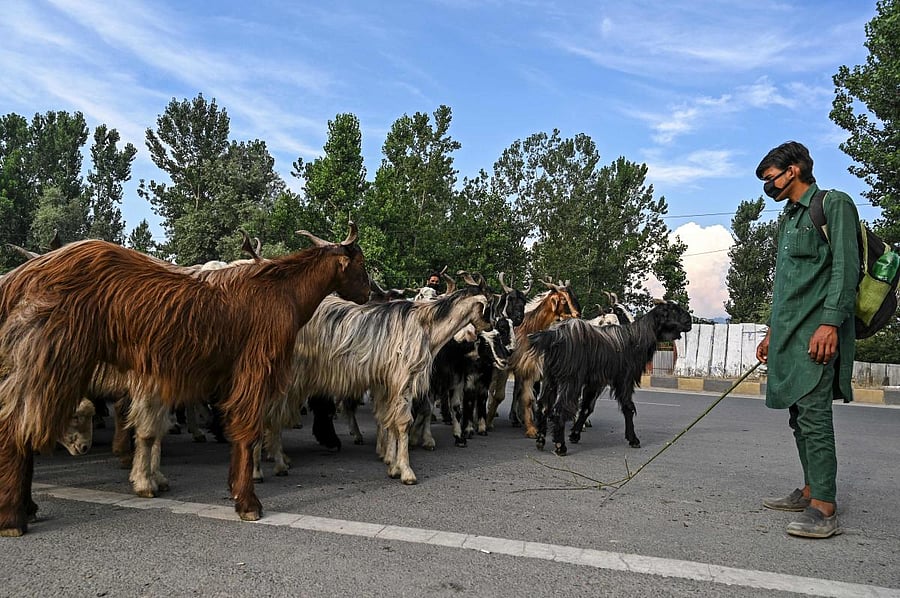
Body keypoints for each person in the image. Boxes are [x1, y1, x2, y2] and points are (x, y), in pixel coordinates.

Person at [754, 141, 859, 539]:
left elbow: (845, 270)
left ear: (794, 170)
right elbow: (786, 285)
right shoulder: (788, 219)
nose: (769, 187)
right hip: (790, 334)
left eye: (771, 178)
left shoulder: (833, 205)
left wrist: (830, 323)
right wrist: (771, 331)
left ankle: (824, 507)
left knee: (814, 416)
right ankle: (811, 488)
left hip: (817, 335)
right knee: (799, 417)